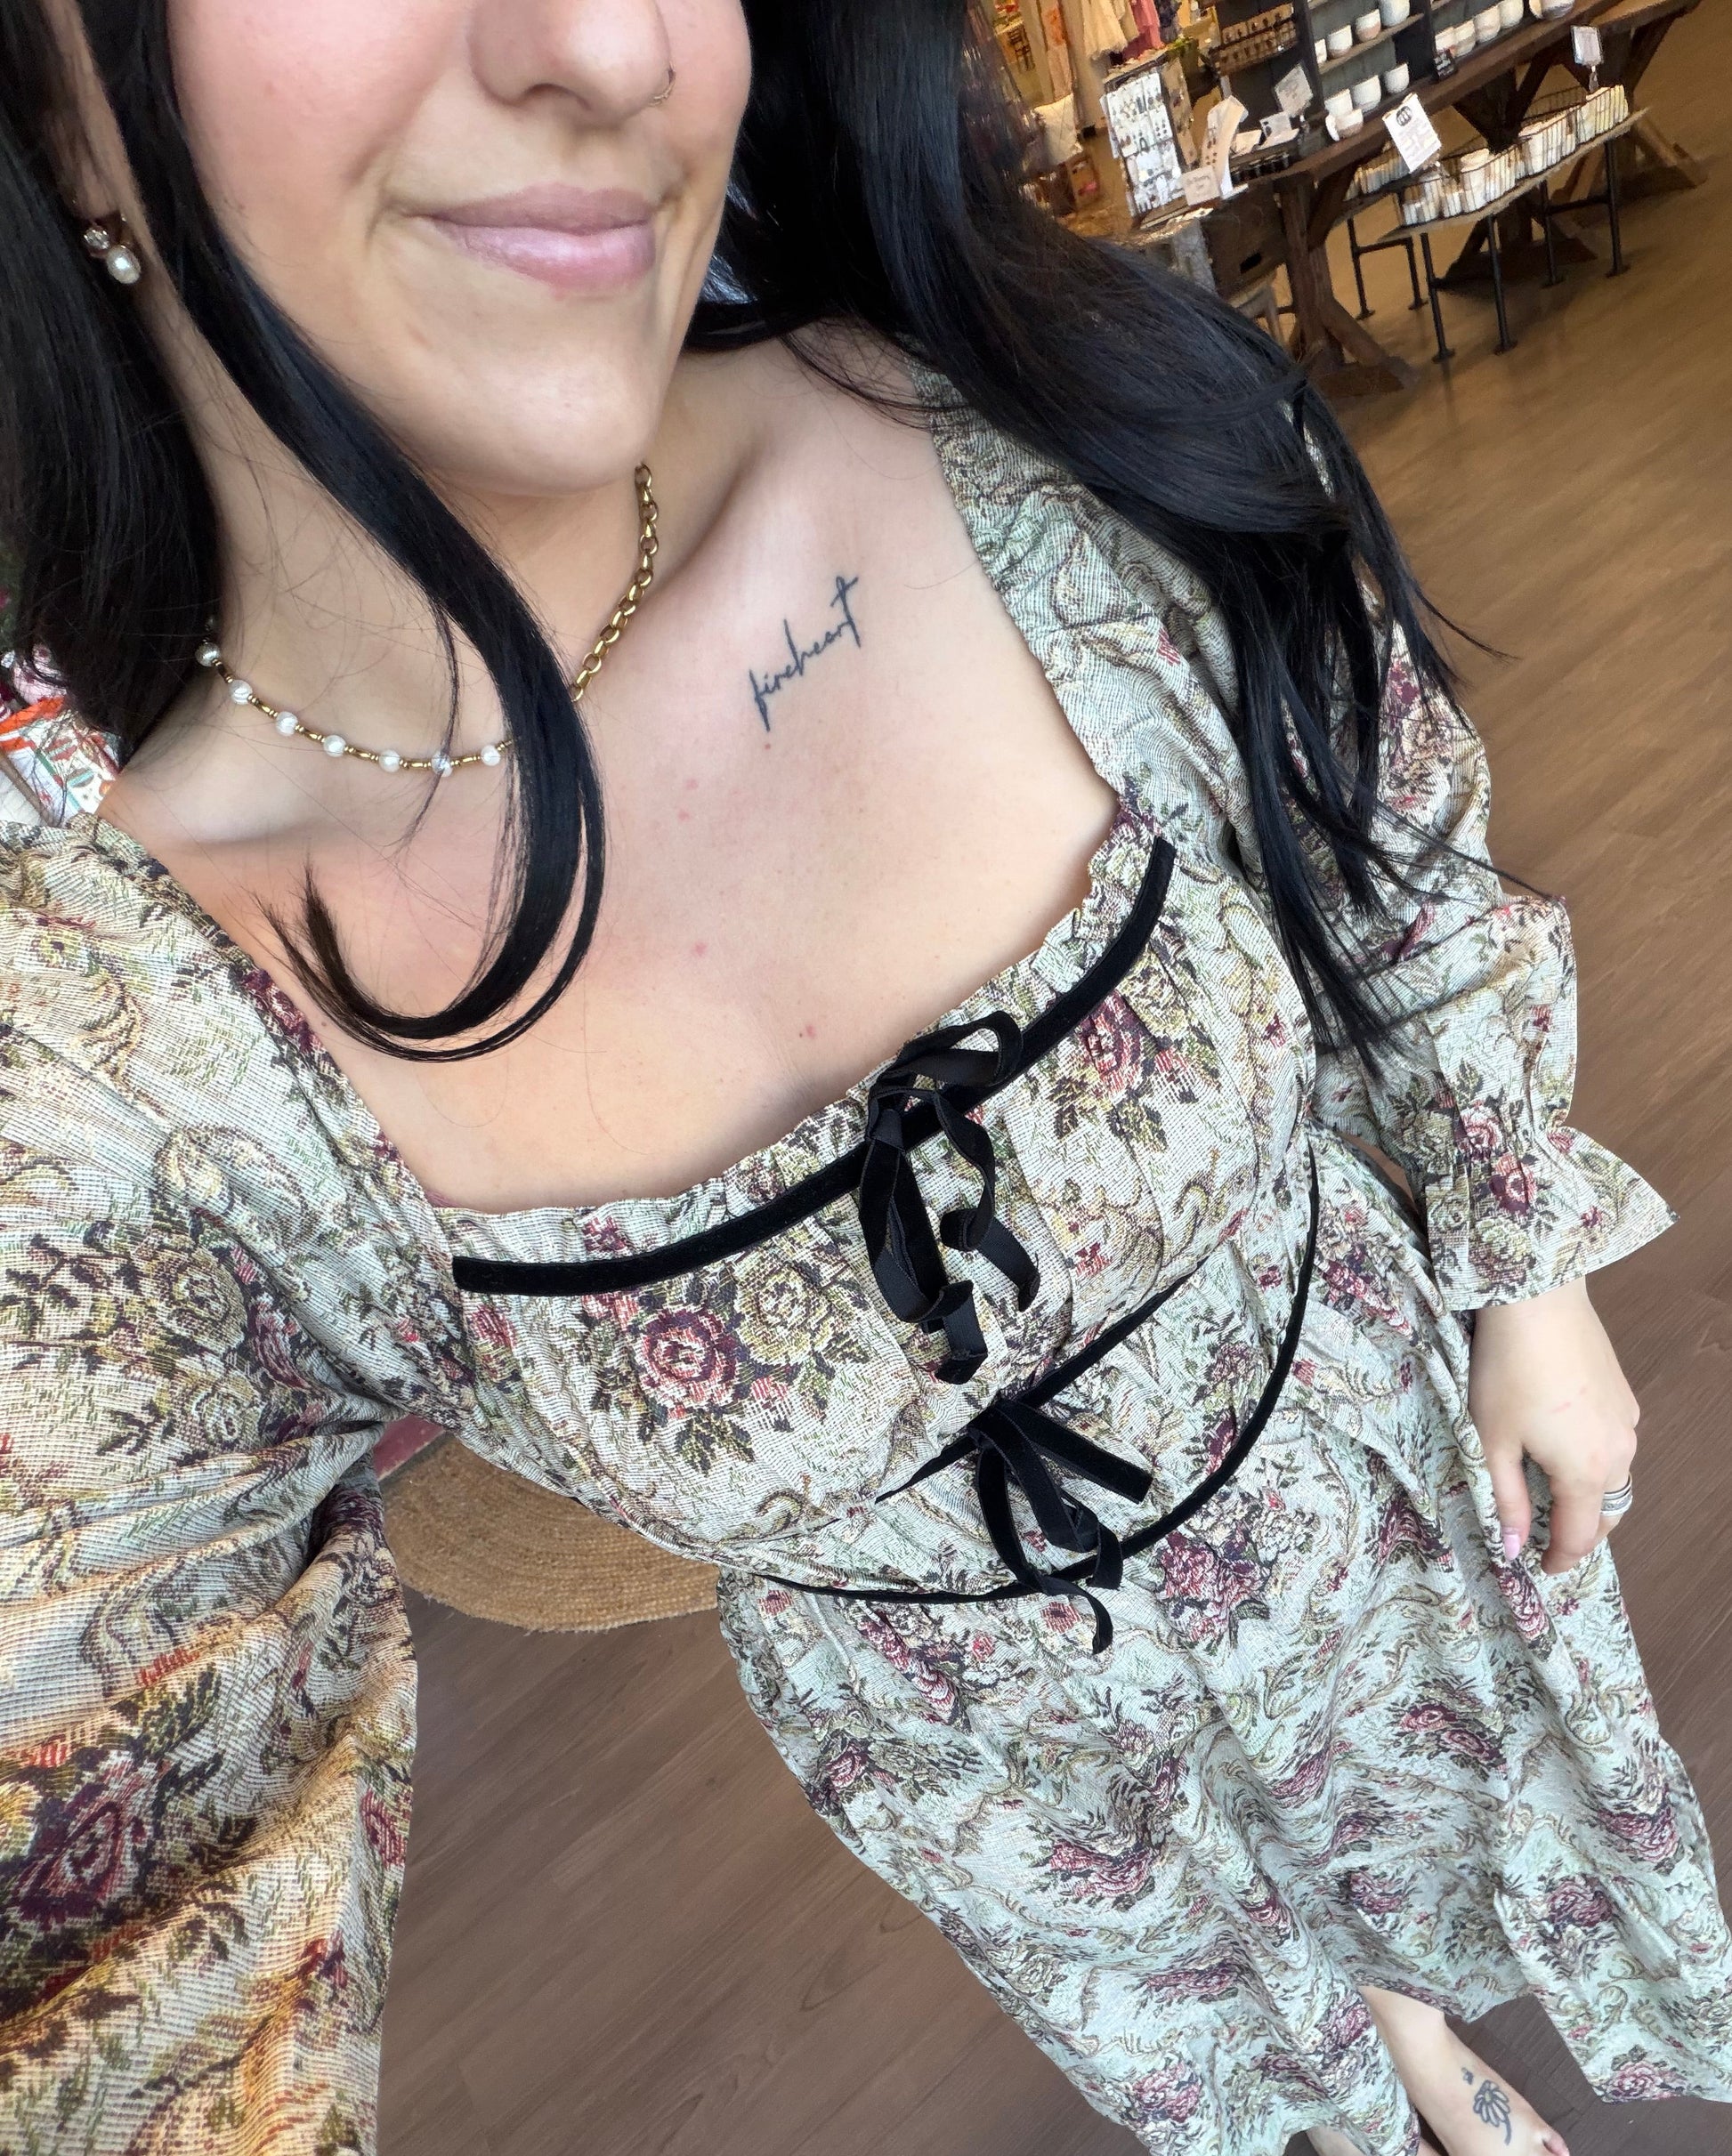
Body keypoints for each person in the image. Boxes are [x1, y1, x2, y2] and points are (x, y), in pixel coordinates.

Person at [0, 4, 1727, 2153]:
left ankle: (1416, 2017)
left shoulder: (1011, 427)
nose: (618, 45)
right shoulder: (122, 1064)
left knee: (1397, 1849)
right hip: (1017, 1793)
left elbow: (1367, 823)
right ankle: (1400, 2070)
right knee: (1284, 2022)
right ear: (43, 81)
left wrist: (1526, 1276)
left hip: (1367, 1511)